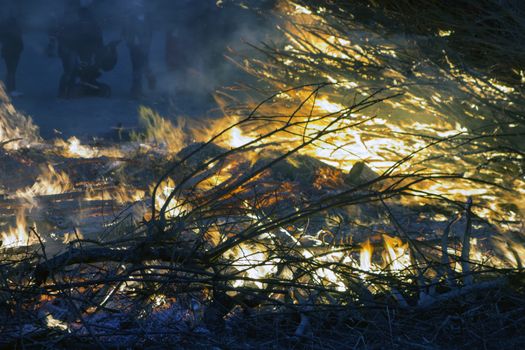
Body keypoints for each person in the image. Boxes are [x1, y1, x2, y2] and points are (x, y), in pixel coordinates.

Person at [122, 1, 156, 99]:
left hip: (144, 46)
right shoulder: (130, 18)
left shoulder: (147, 18)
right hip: (134, 47)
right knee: (136, 68)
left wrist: (146, 43)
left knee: (144, 66)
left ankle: (149, 80)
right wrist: (130, 42)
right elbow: (124, 32)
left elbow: (150, 32)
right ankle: (136, 90)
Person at [0, 15, 23, 96]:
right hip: (13, 52)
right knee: (12, 71)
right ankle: (11, 90)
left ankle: (8, 89)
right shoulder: (15, 31)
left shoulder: (4, 30)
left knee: (10, 71)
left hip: (7, 52)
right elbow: (19, 42)